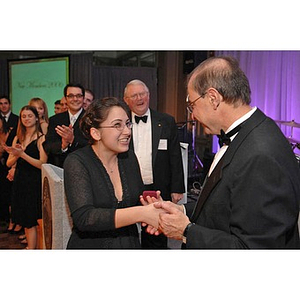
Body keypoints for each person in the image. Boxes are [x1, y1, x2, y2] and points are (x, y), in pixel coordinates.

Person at [148, 56, 300, 249]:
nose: (192, 115)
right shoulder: (248, 134)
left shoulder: (260, 154)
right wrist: (180, 211)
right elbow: (224, 204)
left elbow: (252, 248)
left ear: (213, 98)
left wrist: (186, 231)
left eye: (192, 105)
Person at [63, 97, 161, 249]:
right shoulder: (77, 161)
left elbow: (137, 199)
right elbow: (85, 218)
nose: (127, 131)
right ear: (96, 133)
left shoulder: (129, 158)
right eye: (117, 125)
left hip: (129, 244)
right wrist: (142, 213)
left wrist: (153, 207)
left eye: (128, 124)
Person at [123, 79, 185, 249]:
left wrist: (177, 188)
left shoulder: (166, 121)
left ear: (149, 96)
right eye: (134, 95)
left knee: (156, 231)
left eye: (142, 94)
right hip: (129, 186)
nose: (139, 98)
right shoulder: (121, 123)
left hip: (158, 187)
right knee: (128, 232)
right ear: (126, 100)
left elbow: (175, 155)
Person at [5, 105, 47, 249]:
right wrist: (16, 155)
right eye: (23, 116)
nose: (26, 119)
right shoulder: (18, 137)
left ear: (36, 118)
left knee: (34, 219)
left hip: (34, 182)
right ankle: (31, 248)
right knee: (25, 220)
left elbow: (42, 164)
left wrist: (22, 154)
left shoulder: (41, 138)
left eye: (30, 116)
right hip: (20, 181)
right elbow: (9, 162)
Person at [43, 83, 89, 167]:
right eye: (71, 96)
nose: (75, 99)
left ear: (83, 98)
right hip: (60, 168)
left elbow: (95, 146)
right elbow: (47, 146)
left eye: (78, 96)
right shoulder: (55, 120)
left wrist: (73, 140)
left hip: (84, 167)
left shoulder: (91, 119)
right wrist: (63, 145)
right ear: (66, 99)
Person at [0, 96, 20, 232]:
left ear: (10, 104)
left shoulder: (17, 119)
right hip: (4, 161)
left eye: (5, 103)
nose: (3, 106)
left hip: (12, 161)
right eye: (0, 104)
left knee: (10, 192)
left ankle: (13, 220)